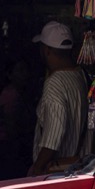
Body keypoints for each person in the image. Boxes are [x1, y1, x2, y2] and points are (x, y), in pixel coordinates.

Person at [28, 21, 87, 177]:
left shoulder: (54, 82)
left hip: (56, 174)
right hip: (74, 167)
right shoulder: (79, 75)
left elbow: (53, 135)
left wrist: (38, 167)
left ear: (47, 50)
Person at [0, 59, 36, 180]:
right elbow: (11, 123)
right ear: (10, 75)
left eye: (25, 70)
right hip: (10, 146)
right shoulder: (10, 95)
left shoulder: (18, 93)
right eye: (20, 70)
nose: (24, 74)